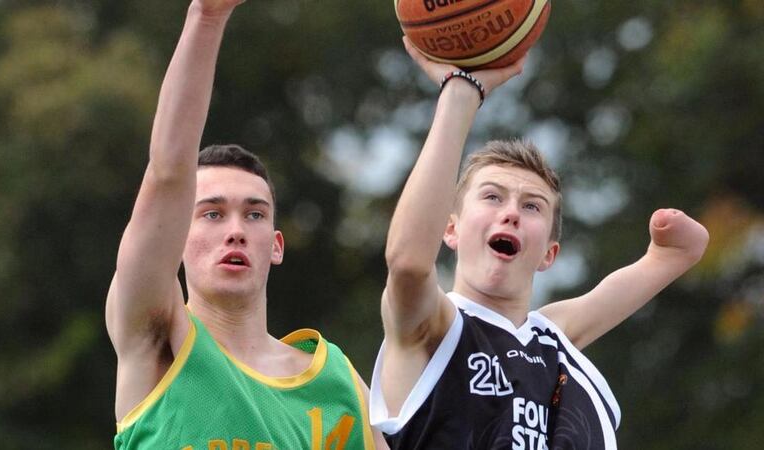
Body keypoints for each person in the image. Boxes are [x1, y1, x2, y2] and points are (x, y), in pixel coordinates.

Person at [369, 38, 710, 449]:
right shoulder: (431, 327)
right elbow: (407, 263)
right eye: (492, 196)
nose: (511, 212)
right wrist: (461, 90)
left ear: (549, 254)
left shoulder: (551, 336)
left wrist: (673, 255)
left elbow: (614, 292)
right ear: (451, 230)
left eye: (532, 206)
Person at [106, 1, 387, 448]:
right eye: (212, 213)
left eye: (254, 214)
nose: (235, 229)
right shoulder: (156, 332)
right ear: (177, 232)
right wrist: (207, 15)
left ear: (276, 245)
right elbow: (167, 171)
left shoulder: (337, 381)